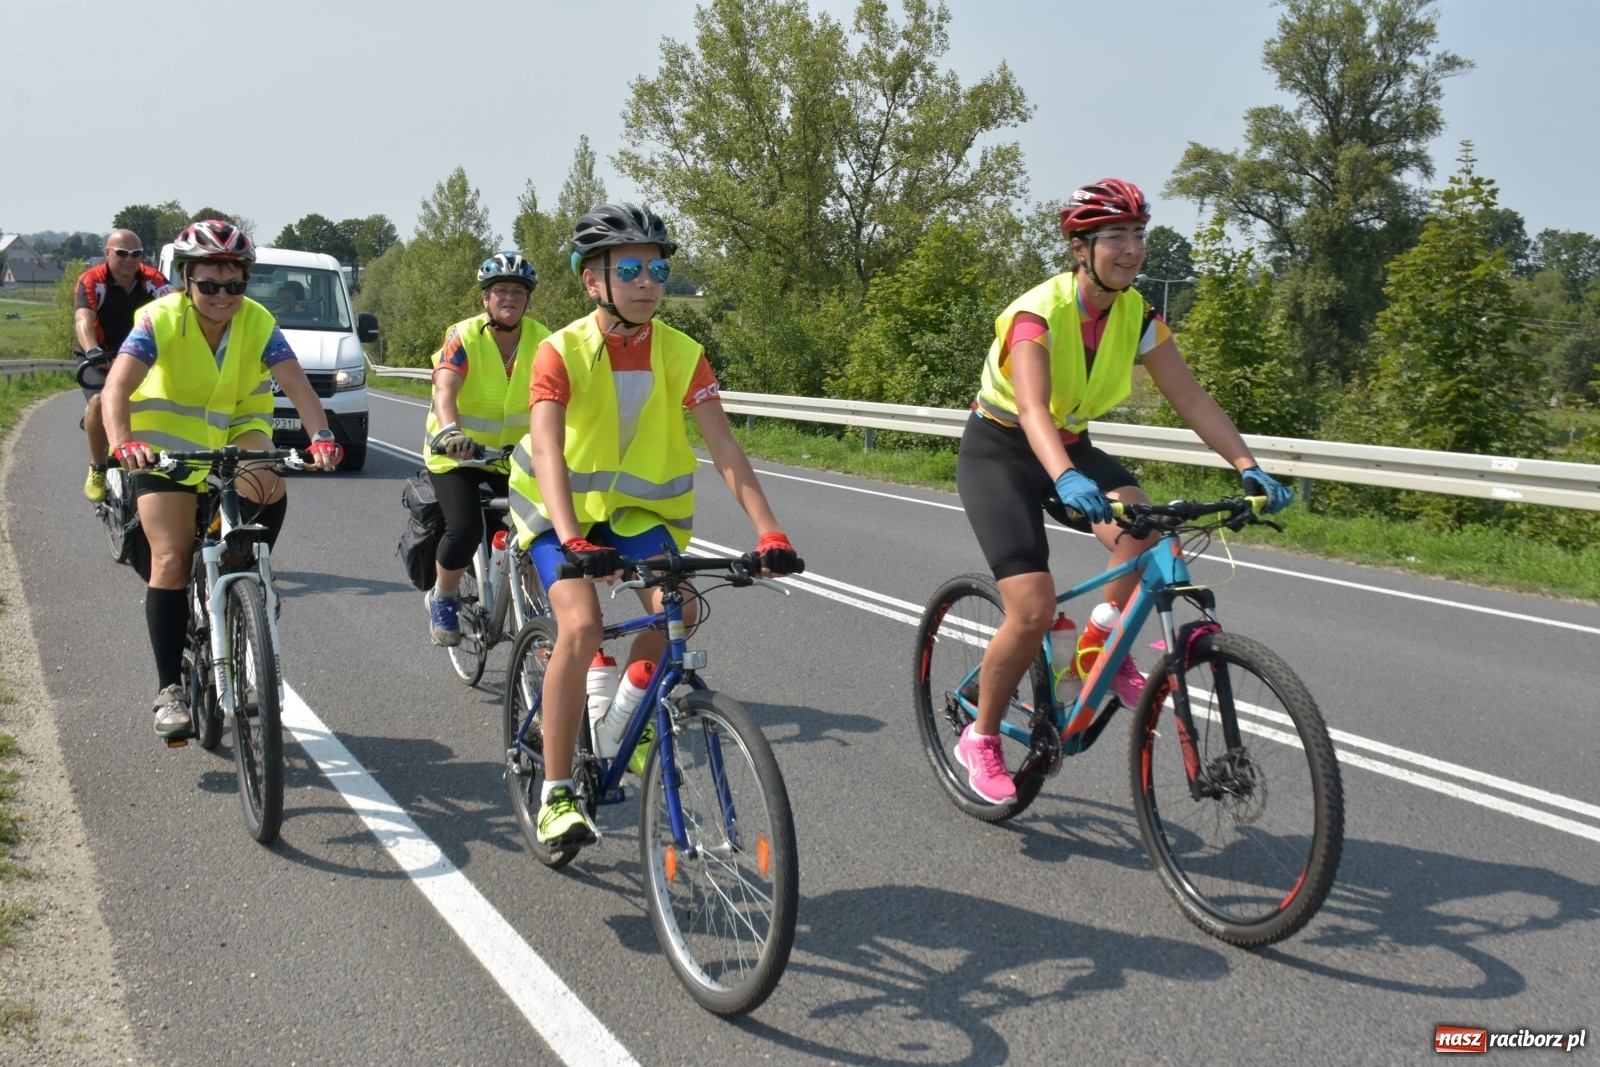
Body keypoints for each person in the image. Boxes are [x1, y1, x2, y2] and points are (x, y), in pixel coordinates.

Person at [952, 179, 1293, 805]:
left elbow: (1191, 398)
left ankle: (1098, 643)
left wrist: (1247, 465)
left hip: (1070, 445)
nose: (1131, 249)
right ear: (1080, 247)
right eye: (1115, 236)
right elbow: (1031, 408)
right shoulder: (1037, 315)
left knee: (1147, 530)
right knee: (1031, 609)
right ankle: (981, 737)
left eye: (1139, 234)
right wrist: (1064, 476)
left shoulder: (1138, 316)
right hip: (1001, 451)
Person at [507, 202, 801, 848]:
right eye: (630, 269)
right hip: (557, 509)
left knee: (682, 610)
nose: (647, 282)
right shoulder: (559, 352)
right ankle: (556, 792)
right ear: (593, 280)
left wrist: (770, 531)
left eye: (658, 270)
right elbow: (549, 449)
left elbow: (725, 447)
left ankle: (622, 722)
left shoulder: (683, 353)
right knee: (582, 625)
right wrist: (572, 536)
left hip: (633, 512)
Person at [101, 220, 344, 737]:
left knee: (269, 478)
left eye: (234, 285)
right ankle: (169, 690)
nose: (222, 295)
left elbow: (298, 386)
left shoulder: (257, 321)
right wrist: (124, 443)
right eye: (209, 284)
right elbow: (116, 389)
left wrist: (321, 436)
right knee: (169, 559)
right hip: (163, 445)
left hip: (236, 431)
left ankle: (246, 573)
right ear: (186, 280)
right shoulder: (158, 319)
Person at [421, 252, 550, 646]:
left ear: (527, 300)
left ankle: (535, 610)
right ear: (485, 299)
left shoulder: (544, 340)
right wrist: (451, 432)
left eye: (518, 291)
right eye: (500, 290)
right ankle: (443, 597)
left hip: (514, 458)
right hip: (458, 455)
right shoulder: (463, 335)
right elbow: (445, 386)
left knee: (542, 527)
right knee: (465, 529)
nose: (509, 297)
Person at [73, 229, 172, 502]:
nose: (130, 259)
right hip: (101, 355)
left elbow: (176, 310)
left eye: (136, 254)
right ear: (107, 253)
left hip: (141, 355)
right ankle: (97, 467)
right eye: (122, 253)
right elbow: (83, 319)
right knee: (99, 401)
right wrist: (93, 349)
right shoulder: (92, 280)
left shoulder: (153, 280)